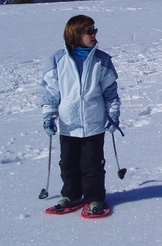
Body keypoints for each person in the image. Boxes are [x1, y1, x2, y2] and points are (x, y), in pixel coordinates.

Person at [41, 15, 121, 215]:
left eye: (95, 30)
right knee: (68, 163)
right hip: (69, 124)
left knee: (92, 164)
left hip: (94, 123)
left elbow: (111, 93)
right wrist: (49, 116)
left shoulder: (102, 60)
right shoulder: (58, 60)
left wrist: (113, 115)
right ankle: (71, 194)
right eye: (89, 31)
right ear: (75, 35)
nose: (94, 34)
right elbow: (51, 93)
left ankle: (95, 198)